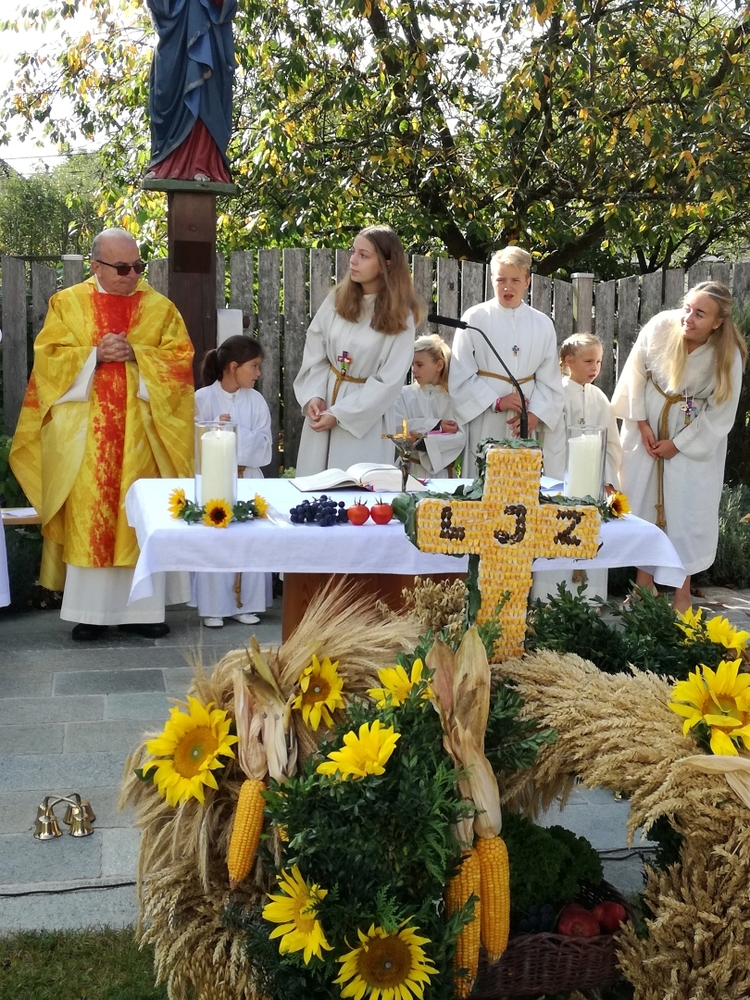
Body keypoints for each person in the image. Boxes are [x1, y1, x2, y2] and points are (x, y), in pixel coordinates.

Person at [9, 228, 195, 640]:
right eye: (123, 268)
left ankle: (143, 612)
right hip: (86, 438)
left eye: (138, 266)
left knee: (138, 515)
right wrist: (94, 355)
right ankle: (89, 613)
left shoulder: (160, 308)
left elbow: (180, 362)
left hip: (143, 438)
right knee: (90, 516)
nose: (134, 275)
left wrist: (138, 354)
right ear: (96, 266)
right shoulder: (68, 304)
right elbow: (48, 361)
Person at [611, 281, 746, 613]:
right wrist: (641, 423)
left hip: (691, 440)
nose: (688, 318)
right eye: (687, 308)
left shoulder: (727, 354)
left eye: (700, 314)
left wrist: (679, 444)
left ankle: (682, 594)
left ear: (717, 322)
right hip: (645, 432)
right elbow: (634, 374)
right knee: (643, 503)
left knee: (685, 512)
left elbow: (721, 411)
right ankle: (643, 586)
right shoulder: (660, 327)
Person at [293, 225, 423, 475]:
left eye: (363, 255)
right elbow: (316, 352)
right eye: (353, 252)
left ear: (386, 264)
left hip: (365, 419)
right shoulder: (336, 300)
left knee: (356, 485)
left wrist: (341, 414)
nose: (353, 260)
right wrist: (314, 395)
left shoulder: (401, 316)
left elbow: (389, 380)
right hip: (325, 401)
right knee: (314, 480)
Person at [448, 246, 564, 479]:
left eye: (515, 280)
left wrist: (535, 415)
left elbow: (549, 379)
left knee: (521, 482)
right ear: (491, 279)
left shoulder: (542, 323)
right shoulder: (474, 318)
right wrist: (497, 401)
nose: (507, 287)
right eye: (501, 279)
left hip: (524, 417)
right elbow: (460, 373)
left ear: (527, 281)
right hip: (485, 417)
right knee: (485, 480)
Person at [193, 335, 272, 627]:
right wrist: (215, 431)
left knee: (249, 539)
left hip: (249, 477)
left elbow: (264, 448)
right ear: (233, 366)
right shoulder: (202, 398)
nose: (258, 373)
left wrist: (232, 433)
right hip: (215, 479)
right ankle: (214, 606)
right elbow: (194, 445)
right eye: (254, 366)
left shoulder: (256, 400)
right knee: (216, 539)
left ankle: (246, 603)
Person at [145, 0, 237, 183]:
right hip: (176, 35)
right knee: (169, 93)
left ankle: (202, 164)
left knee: (205, 98)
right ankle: (166, 161)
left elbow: (229, 6)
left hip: (208, 32)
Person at [544, 333, 622, 488]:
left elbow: (611, 443)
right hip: (566, 481)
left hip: (596, 480)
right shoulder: (559, 395)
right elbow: (554, 446)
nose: (595, 367)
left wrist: (607, 479)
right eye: (588, 361)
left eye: (598, 362)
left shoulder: (599, 397)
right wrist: (562, 483)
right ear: (569, 361)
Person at [393, 334, 466, 478]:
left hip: (443, 476)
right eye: (412, 364)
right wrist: (435, 425)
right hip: (409, 471)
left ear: (439, 365)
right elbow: (397, 427)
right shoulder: (403, 394)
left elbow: (459, 438)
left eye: (419, 365)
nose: (414, 370)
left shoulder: (454, 398)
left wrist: (420, 441)